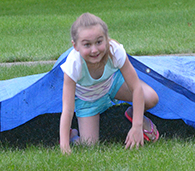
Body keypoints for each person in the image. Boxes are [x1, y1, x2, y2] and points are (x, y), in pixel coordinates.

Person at [59, 12, 159, 155]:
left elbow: (136, 88)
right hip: (88, 100)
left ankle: (133, 113)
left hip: (112, 86)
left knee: (151, 97)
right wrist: (64, 146)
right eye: (87, 44)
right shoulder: (73, 65)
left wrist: (137, 126)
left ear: (106, 39)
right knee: (89, 146)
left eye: (99, 42)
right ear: (75, 46)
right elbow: (67, 109)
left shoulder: (114, 51)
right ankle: (73, 136)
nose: (94, 50)